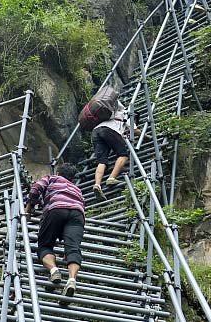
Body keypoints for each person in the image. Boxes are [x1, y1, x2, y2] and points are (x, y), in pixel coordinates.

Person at [25, 163, 84, 301]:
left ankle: (54, 270)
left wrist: (28, 209)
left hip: (57, 208)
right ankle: (72, 280)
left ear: (58, 173)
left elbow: (36, 188)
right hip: (78, 214)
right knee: (73, 249)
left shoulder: (52, 178)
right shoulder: (77, 189)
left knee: (45, 246)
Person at [91, 100, 131, 201]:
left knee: (102, 161)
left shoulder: (111, 112)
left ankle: (97, 185)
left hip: (96, 131)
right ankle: (111, 178)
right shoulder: (126, 114)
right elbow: (135, 130)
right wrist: (148, 137)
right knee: (123, 155)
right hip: (109, 130)